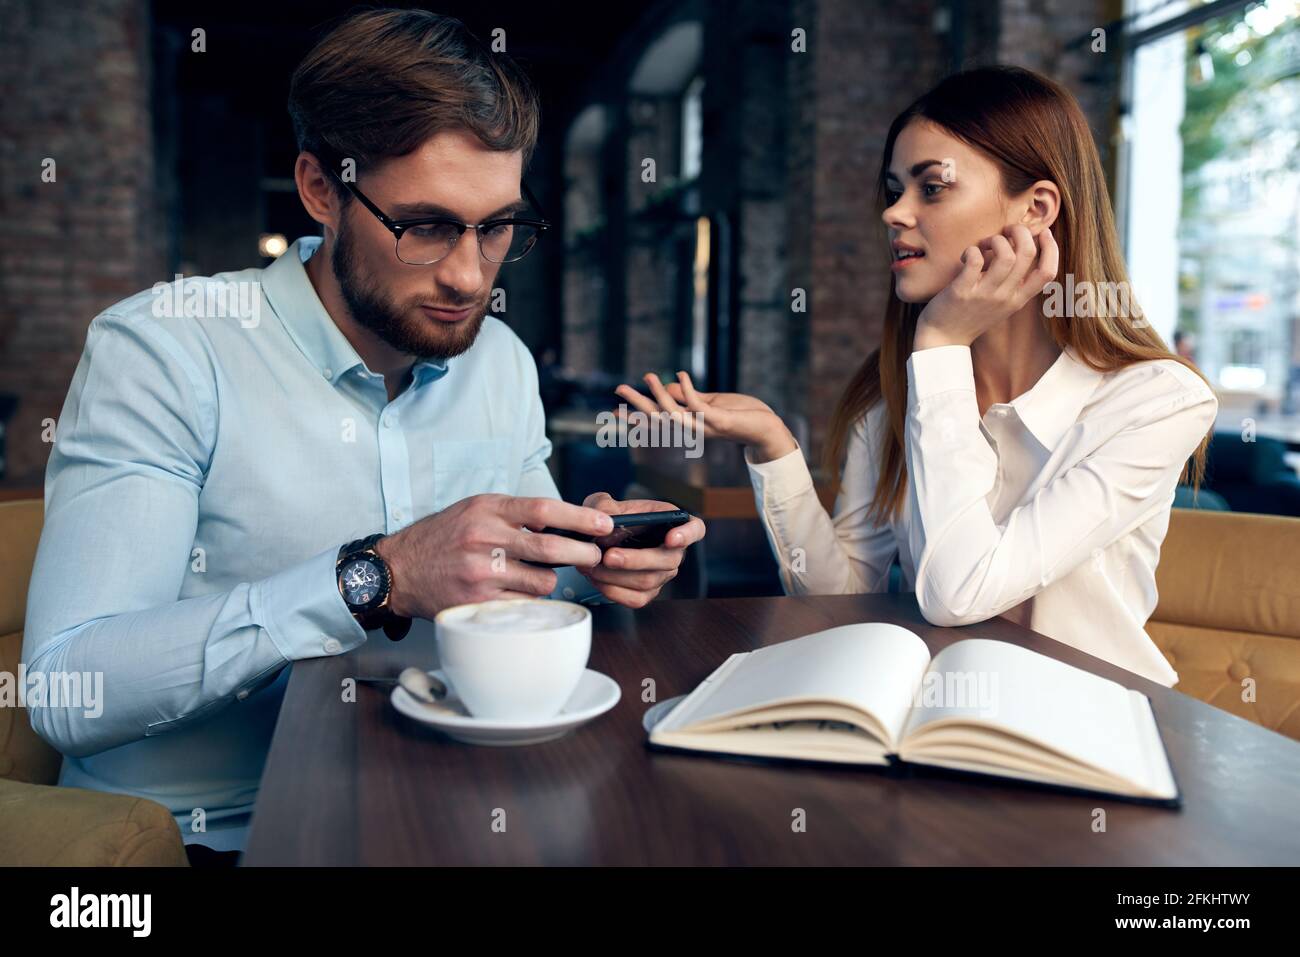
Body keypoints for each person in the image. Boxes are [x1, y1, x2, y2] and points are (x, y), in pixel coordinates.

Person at [22, 8, 704, 863]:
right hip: (208, 841)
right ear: (320, 189)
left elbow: (515, 604)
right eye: (425, 226)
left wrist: (591, 564)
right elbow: (65, 691)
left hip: (456, 811)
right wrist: (373, 578)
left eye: (498, 227)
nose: (468, 274)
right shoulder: (164, 349)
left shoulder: (499, 359)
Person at [618, 66, 1215, 688]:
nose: (894, 213)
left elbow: (959, 592)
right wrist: (774, 446)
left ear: (1036, 209)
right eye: (894, 189)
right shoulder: (898, 397)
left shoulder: (1156, 401)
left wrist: (941, 342)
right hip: (946, 724)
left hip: (1096, 733)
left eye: (932, 188)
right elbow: (841, 597)